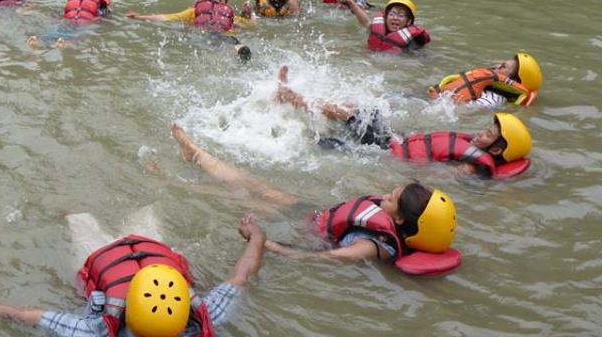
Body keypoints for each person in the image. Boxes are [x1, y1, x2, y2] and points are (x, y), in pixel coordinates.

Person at [0, 212, 266, 337]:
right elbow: (243, 273)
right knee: (134, 210)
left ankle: (62, 198)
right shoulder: (208, 316)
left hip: (107, 257)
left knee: (77, 217)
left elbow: (22, 315)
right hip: (140, 247)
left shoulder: (94, 330)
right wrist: (256, 235)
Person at [169, 124, 460, 275]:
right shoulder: (391, 222)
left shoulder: (372, 247)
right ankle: (194, 154)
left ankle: (177, 179)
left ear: (399, 219)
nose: (385, 196)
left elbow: (323, 257)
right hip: (311, 214)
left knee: (239, 196)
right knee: (251, 185)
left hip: (305, 231)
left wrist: (266, 244)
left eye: (392, 198)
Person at [274, 65, 533, 178]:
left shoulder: (473, 166)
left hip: (388, 151)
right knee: (361, 109)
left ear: (497, 149)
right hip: (395, 142)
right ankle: (296, 103)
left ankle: (292, 98)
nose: (480, 133)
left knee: (359, 114)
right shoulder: (474, 151)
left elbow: (439, 174)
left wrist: (391, 172)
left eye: (488, 134)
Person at [126, 0, 253, 61]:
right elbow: (166, 18)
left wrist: (248, 13)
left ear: (226, 0)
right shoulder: (193, 12)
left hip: (224, 35)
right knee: (219, 44)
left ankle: (241, 52)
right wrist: (140, 17)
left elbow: (251, 26)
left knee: (235, 43)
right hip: (205, 35)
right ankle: (235, 54)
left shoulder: (229, 15)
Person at [429, 52, 542, 108]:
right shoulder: (483, 83)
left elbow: (464, 112)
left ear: (512, 81)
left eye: (503, 66)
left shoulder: (495, 98)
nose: (495, 66)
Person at [27, 0, 111, 48]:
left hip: (85, 25)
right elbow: (64, 13)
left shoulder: (100, 5)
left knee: (82, 33)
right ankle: (39, 41)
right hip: (68, 23)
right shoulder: (72, 3)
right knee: (55, 29)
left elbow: (105, 17)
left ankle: (67, 44)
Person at [340, 0, 431, 54]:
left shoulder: (412, 41)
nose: (395, 18)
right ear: (386, 17)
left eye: (400, 15)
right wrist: (351, 3)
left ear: (408, 21)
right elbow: (365, 21)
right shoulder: (377, 29)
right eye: (392, 14)